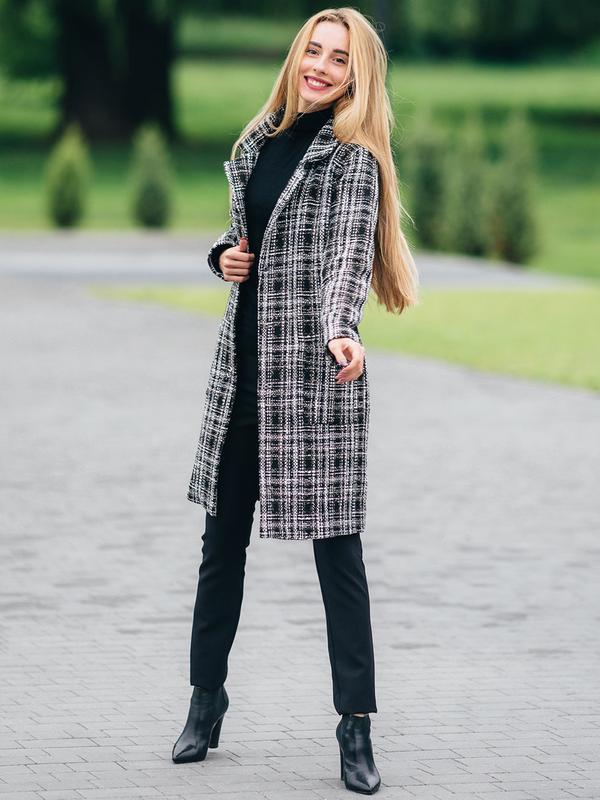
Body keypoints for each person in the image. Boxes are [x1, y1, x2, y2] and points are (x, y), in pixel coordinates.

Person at [173, 7, 418, 795]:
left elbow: (348, 254)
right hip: (242, 378)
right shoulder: (258, 140)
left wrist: (343, 328)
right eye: (313, 50)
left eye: (338, 58)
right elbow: (242, 238)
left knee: (338, 556)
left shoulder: (352, 160)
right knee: (221, 548)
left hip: (315, 381)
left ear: (356, 76)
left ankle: (356, 728)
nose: (319, 66)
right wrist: (222, 255)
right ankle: (205, 700)